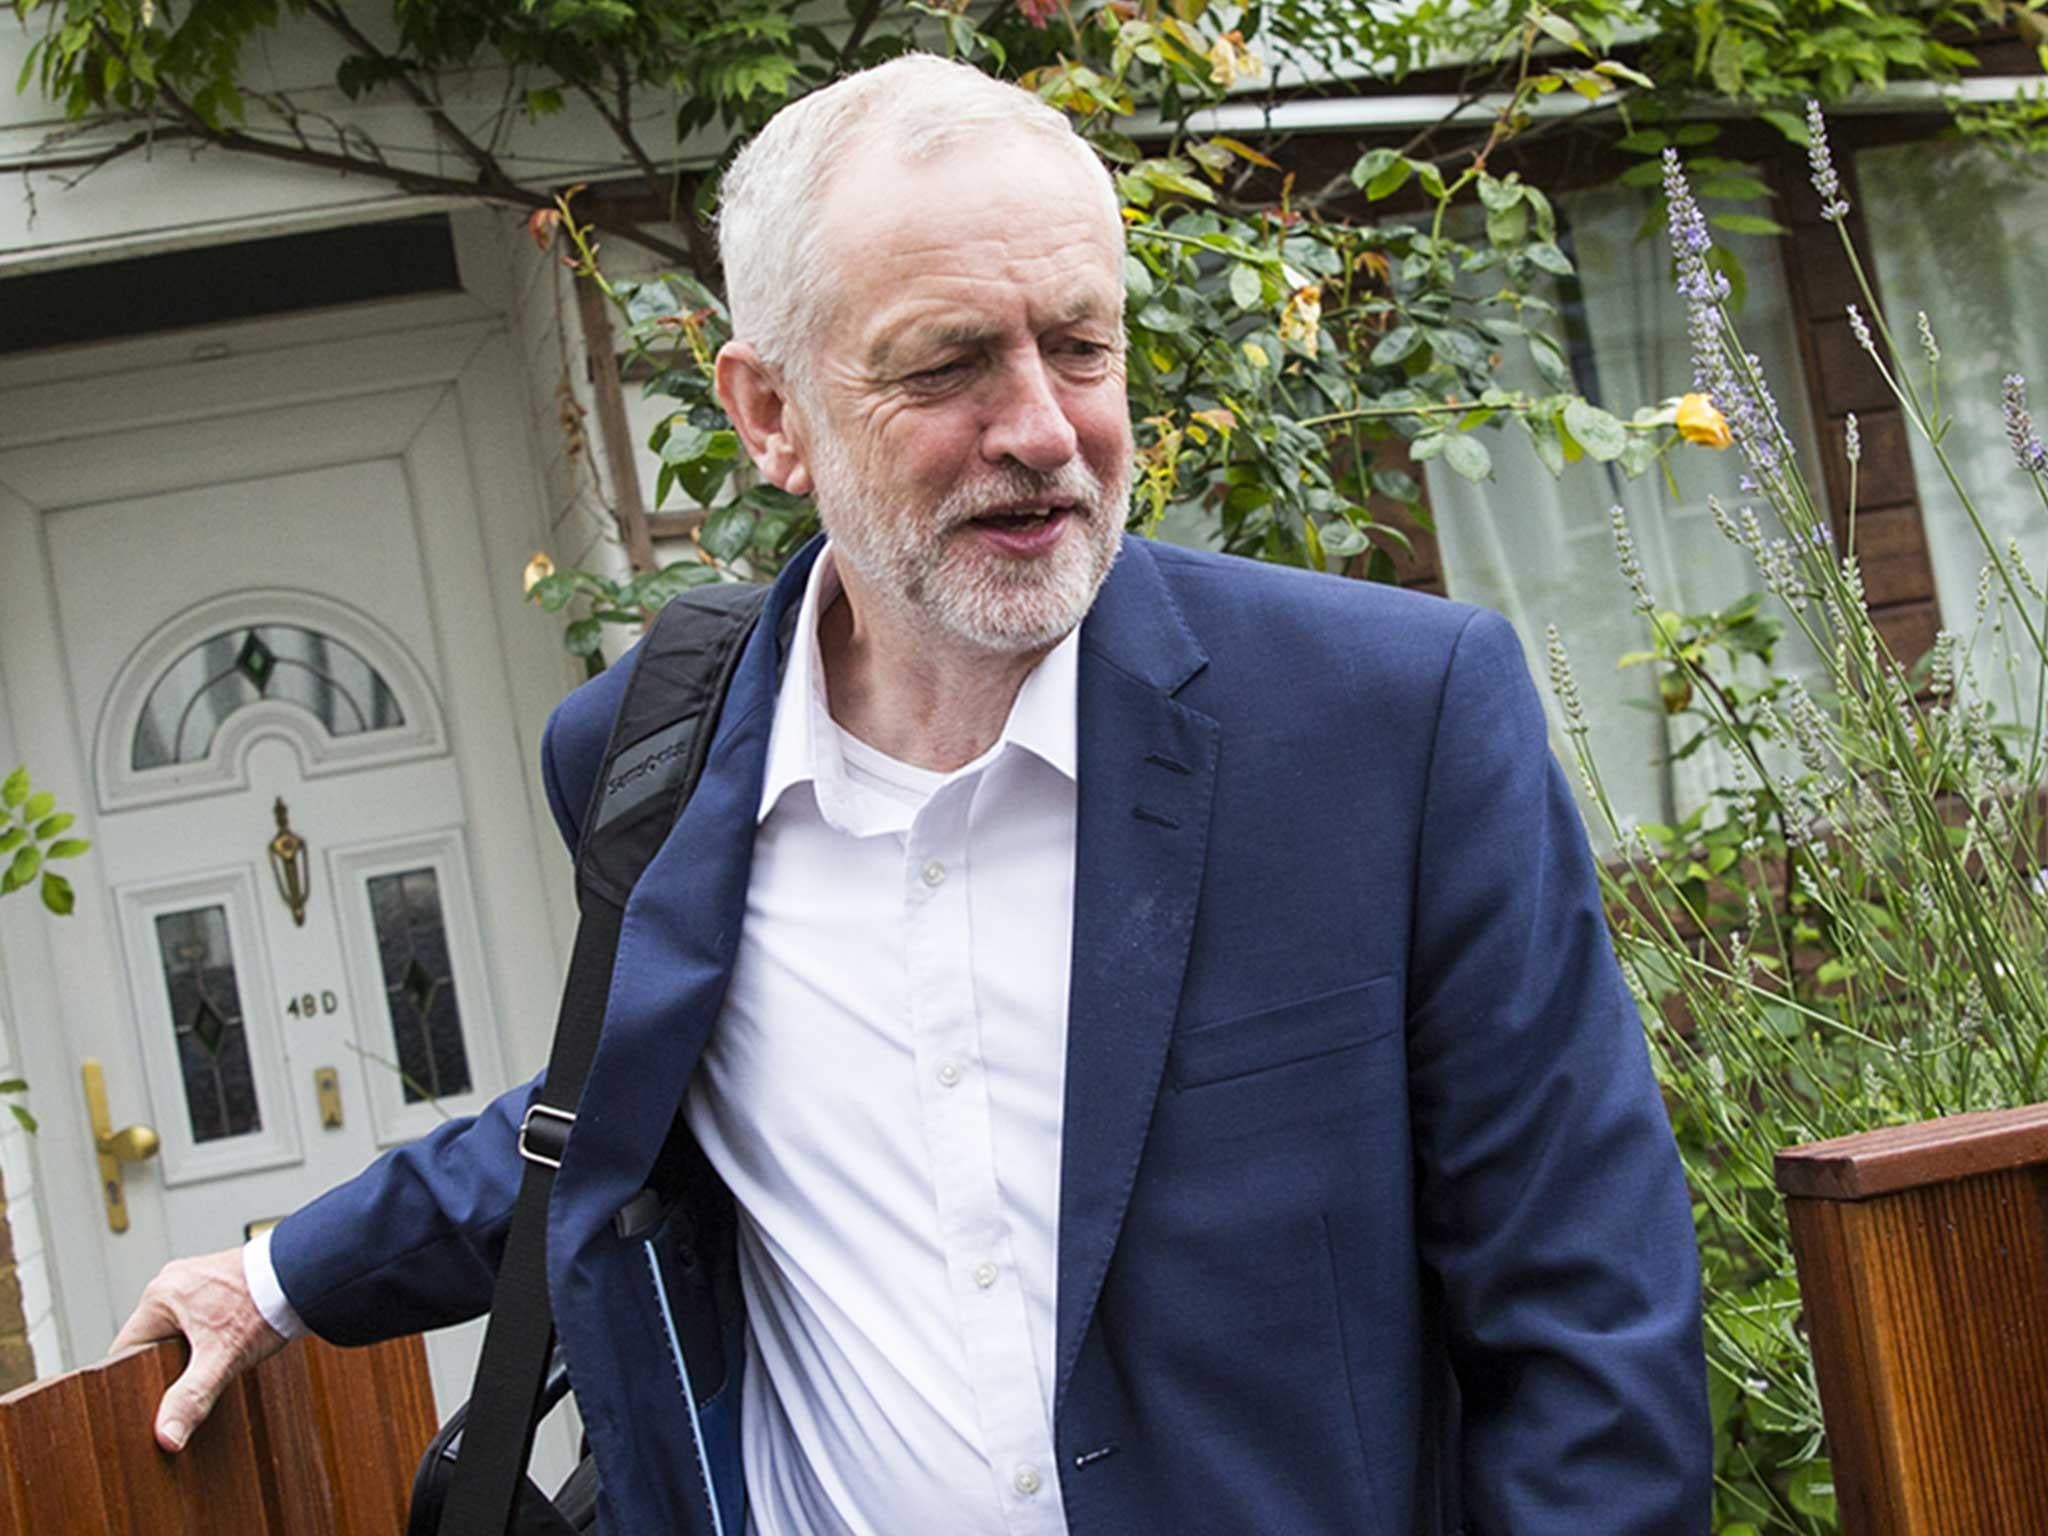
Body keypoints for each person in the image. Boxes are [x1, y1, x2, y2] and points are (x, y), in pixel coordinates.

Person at [116, 53, 1711, 1535]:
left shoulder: (1387, 726)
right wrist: (275, 1278)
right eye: (948, 365)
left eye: (1081, 346)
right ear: (768, 416)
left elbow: (1591, 1330)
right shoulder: (646, 761)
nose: (1041, 428)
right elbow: (605, 1115)